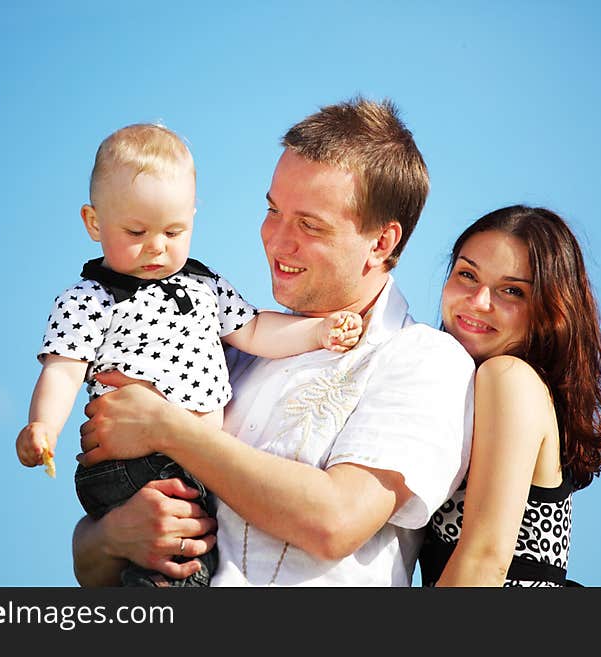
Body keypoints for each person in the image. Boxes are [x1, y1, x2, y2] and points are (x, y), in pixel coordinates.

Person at [71, 97, 476, 587]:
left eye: (309, 224)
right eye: (272, 209)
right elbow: (88, 564)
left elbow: (336, 522)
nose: (277, 240)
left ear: (382, 242)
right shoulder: (223, 349)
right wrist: (114, 536)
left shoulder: (424, 360)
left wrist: (168, 428)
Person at [15, 122, 364, 587]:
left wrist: (319, 332)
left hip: (185, 460)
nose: (157, 246)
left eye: (174, 230)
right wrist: (43, 426)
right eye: (136, 231)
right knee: (182, 562)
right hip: (133, 463)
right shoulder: (92, 297)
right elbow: (63, 371)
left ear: (194, 217)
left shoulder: (202, 286)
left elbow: (257, 329)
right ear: (94, 222)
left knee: (176, 553)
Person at [419, 205, 601, 587]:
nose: (479, 300)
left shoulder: (508, 377)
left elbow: (485, 558)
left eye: (512, 291)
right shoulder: (476, 385)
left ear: (550, 311)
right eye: (467, 274)